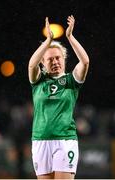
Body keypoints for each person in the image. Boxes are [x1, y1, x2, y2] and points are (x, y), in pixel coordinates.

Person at [28, 15, 89, 179]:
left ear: (63, 59)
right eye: (50, 59)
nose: (55, 62)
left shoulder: (71, 80)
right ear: (43, 62)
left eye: (58, 58)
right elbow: (32, 64)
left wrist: (70, 36)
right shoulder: (38, 81)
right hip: (40, 139)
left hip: (65, 139)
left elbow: (85, 61)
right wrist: (47, 41)